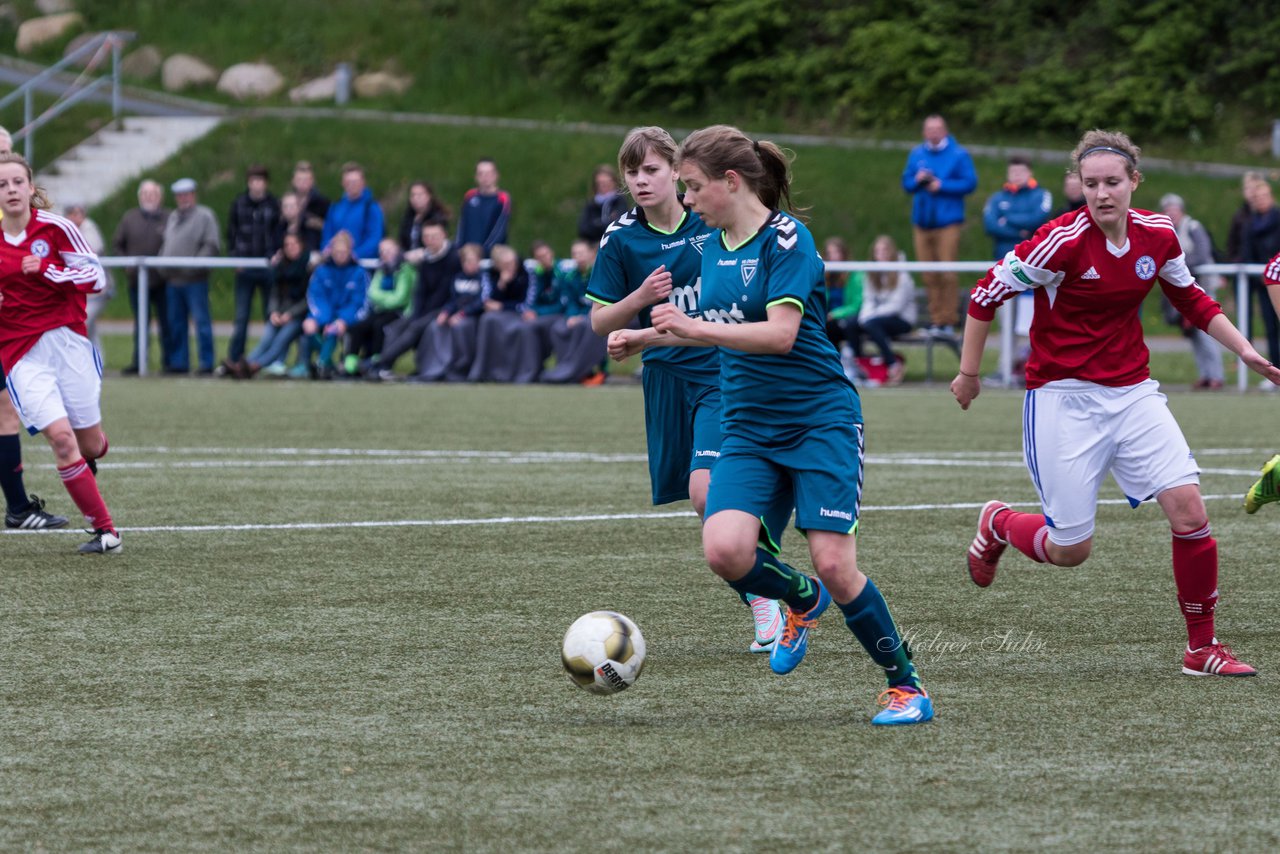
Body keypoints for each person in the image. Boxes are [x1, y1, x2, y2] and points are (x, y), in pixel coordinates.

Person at [952, 129, 1278, 679]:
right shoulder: (1059, 241)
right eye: (1090, 182)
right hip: (1061, 398)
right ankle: (1001, 523)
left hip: (1133, 394)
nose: (1102, 193)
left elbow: (1191, 298)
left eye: (1113, 182)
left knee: (1190, 511)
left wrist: (1245, 350)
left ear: (1134, 183)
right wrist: (968, 374)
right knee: (1069, 550)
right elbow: (985, 294)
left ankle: (1201, 647)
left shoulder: (1158, 233)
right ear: (1078, 185)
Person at [640, 124, 934, 725]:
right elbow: (712, 318)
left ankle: (906, 685)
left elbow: (780, 334)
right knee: (724, 550)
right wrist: (643, 333)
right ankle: (801, 599)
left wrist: (692, 329)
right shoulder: (708, 246)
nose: (687, 200)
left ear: (731, 181)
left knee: (834, 561)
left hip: (817, 420)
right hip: (747, 427)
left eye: (693, 187)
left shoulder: (787, 239)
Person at [588, 126, 786, 652]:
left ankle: (767, 599)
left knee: (706, 491)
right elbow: (598, 322)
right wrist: (638, 299)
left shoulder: (710, 224)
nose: (641, 181)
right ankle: (766, 574)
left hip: (719, 375)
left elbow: (725, 309)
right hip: (664, 381)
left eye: (651, 169)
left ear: (676, 171)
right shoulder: (621, 237)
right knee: (700, 499)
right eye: (632, 173)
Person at [0, 152, 120, 553]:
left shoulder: (57, 228)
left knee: (89, 444)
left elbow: (96, 276)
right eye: (2, 185)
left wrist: (49, 270)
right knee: (63, 441)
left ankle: (95, 453)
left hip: (67, 345)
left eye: (17, 182)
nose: (11, 190)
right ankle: (106, 532)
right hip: (21, 356)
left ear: (31, 187)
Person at [900, 114, 977, 337]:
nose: (933, 133)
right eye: (929, 129)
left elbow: (970, 182)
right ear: (924, 132)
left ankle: (948, 320)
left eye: (937, 129)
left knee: (947, 271)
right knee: (927, 272)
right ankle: (935, 320)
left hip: (947, 222)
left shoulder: (958, 154)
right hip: (922, 221)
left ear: (945, 131)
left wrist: (942, 185)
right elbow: (906, 182)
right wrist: (917, 181)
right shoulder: (917, 154)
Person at [983, 156, 1053, 383]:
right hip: (1004, 271)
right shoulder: (997, 198)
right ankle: (1006, 369)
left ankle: (1035, 368)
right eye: (1012, 171)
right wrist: (1020, 228)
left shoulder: (1041, 195)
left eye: (1020, 171)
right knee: (1007, 324)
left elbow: (1038, 220)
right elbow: (990, 224)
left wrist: (1007, 221)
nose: (1016, 176)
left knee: (1033, 323)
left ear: (1029, 172)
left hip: (1032, 272)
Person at [368, 219, 460, 380]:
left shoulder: (453, 258)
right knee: (395, 328)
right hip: (424, 309)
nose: (430, 240)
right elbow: (420, 290)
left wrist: (420, 316)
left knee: (414, 328)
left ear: (444, 235)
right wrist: (416, 312)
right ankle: (385, 368)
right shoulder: (426, 259)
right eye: (427, 237)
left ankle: (379, 363)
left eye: (435, 236)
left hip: (444, 309)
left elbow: (444, 292)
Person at [1160, 193, 1225, 390]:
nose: (1171, 213)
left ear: (1181, 210)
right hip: (1182, 290)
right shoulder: (1169, 230)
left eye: (1174, 209)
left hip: (1202, 288)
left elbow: (1203, 254)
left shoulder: (1193, 227)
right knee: (1193, 334)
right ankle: (1205, 374)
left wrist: (1177, 264)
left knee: (1206, 332)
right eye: (1167, 210)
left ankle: (1217, 376)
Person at [222, 164, 282, 377]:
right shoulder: (239, 204)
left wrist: (277, 253)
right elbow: (232, 234)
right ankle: (235, 359)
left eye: (260, 180)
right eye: (253, 180)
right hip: (245, 268)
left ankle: (270, 360)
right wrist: (234, 259)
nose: (257, 184)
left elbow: (278, 233)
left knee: (271, 315)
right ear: (249, 183)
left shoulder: (274, 204)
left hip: (268, 268)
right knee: (241, 318)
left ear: (265, 183)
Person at [160, 177, 221, 375]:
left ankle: (206, 362)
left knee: (201, 322)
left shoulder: (205, 216)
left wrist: (192, 266)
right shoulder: (173, 217)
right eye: (179, 195)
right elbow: (167, 244)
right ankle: (179, 363)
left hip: (195, 280)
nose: (183, 198)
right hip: (173, 280)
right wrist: (163, 264)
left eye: (187, 194)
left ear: (193, 195)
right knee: (176, 323)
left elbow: (211, 244)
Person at [112, 179, 171, 374]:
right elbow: (117, 244)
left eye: (153, 194)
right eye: (145, 194)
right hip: (137, 282)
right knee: (141, 324)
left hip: (163, 282)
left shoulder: (169, 217)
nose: (149, 198)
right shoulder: (129, 218)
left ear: (159, 197)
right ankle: (139, 362)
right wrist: (127, 266)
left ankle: (169, 363)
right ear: (140, 197)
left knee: (167, 323)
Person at [293, 230, 368, 380]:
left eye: (344, 252)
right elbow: (315, 298)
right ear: (331, 251)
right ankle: (328, 366)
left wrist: (342, 320)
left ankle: (322, 364)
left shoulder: (359, 272)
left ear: (350, 252)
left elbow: (359, 302)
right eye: (337, 252)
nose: (340, 255)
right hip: (324, 315)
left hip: (347, 317)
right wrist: (324, 320)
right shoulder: (321, 271)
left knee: (335, 329)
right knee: (309, 326)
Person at [414, 242, 490, 382]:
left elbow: (481, 302)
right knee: (435, 326)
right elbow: (453, 300)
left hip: (472, 317)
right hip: (455, 315)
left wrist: (462, 314)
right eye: (467, 262)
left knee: (460, 327)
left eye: (473, 261)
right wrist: (446, 312)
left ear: (479, 261)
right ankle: (433, 367)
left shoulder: (483, 278)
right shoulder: (458, 278)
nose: (470, 265)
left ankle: (460, 370)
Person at [850, 235, 917, 386]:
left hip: (902, 319)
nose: (881, 254)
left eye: (885, 250)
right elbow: (868, 299)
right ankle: (860, 364)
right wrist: (864, 317)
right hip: (877, 318)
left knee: (871, 324)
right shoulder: (872, 273)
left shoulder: (902, 275)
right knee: (851, 324)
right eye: (877, 251)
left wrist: (869, 318)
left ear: (892, 253)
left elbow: (896, 306)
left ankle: (893, 364)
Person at [344, 237, 415, 377]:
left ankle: (376, 362)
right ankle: (350, 363)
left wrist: (382, 299)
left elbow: (400, 299)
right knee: (357, 327)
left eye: (389, 250)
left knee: (379, 326)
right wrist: (387, 299)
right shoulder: (382, 270)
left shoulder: (406, 270)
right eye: (382, 251)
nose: (385, 253)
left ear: (397, 250)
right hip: (383, 310)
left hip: (401, 312)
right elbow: (372, 293)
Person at [244, 231, 311, 377]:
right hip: (280, 313)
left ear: (301, 245)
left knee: (279, 341)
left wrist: (290, 314)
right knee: (265, 340)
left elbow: (308, 300)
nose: (291, 247)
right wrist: (273, 312)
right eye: (287, 245)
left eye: (294, 244)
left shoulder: (309, 268)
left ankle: (253, 367)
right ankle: (244, 364)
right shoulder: (280, 267)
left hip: (299, 317)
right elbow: (274, 294)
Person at [540, 239, 607, 385]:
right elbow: (570, 302)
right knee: (558, 328)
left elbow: (605, 300)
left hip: (595, 315)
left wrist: (584, 316)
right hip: (578, 316)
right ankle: (566, 369)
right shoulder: (570, 276)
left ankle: (594, 372)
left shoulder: (601, 273)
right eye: (575, 254)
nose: (579, 257)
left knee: (586, 327)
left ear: (591, 254)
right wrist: (572, 316)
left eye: (582, 253)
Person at [467, 243, 533, 382]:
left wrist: (502, 306)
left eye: (512, 262)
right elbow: (487, 301)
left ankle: (513, 374)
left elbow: (526, 303)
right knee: (488, 320)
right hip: (498, 315)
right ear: (498, 265)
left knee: (517, 327)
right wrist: (501, 284)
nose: (511, 266)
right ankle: (484, 371)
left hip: (517, 314)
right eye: (506, 264)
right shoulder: (490, 274)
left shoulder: (525, 273)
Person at [1238, 176, 1280, 378]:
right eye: (1258, 197)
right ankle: (1277, 369)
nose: (1262, 200)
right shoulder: (1250, 222)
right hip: (1265, 281)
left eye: (1265, 195)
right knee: (1271, 327)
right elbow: (1246, 250)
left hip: (1271, 277)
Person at [63, 203, 108, 356]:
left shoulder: (88, 228)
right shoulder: (67, 229)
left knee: (83, 325)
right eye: (71, 213)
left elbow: (91, 251)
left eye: (78, 213)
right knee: (90, 329)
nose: (75, 217)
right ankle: (98, 362)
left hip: (95, 290)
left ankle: (84, 360)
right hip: (80, 290)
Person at [321, 162, 384, 261]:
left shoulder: (371, 208)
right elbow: (327, 234)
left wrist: (354, 255)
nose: (352, 185)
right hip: (335, 265)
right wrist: (327, 251)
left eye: (355, 181)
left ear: (363, 182)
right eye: (348, 182)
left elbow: (375, 239)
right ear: (343, 183)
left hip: (362, 265)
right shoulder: (335, 207)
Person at [456, 158, 511, 256]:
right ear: (476, 177)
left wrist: (483, 251)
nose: (485, 177)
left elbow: (499, 230)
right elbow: (462, 225)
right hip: (467, 255)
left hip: (490, 255)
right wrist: (460, 247)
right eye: (481, 174)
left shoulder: (502, 198)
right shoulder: (470, 196)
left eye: (489, 173)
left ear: (496, 175)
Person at [576, 164, 627, 243]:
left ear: (614, 182)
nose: (603, 186)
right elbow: (583, 229)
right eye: (600, 183)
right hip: (593, 245)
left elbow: (619, 226)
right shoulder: (591, 204)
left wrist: (597, 224)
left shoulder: (620, 201)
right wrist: (604, 223)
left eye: (606, 182)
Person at [398, 181, 449, 259]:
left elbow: (438, 245)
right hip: (408, 258)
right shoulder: (408, 217)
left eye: (420, 195)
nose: (416, 199)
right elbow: (402, 240)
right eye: (413, 195)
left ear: (429, 196)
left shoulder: (437, 217)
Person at [290, 160, 330, 255]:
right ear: (293, 181)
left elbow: (331, 227)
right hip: (291, 253)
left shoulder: (323, 203)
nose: (302, 183)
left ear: (312, 181)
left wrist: (319, 224)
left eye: (306, 180)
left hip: (314, 252)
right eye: (299, 180)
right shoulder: (287, 202)